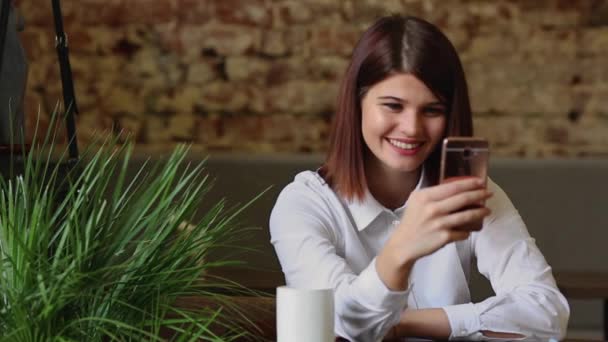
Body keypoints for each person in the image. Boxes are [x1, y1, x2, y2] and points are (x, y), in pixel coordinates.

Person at [269, 15, 569, 341]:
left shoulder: (469, 194)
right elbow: (344, 323)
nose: (412, 128)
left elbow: (546, 312)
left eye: (432, 110)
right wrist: (401, 250)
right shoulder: (304, 204)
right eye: (393, 106)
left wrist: (403, 324)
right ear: (357, 104)